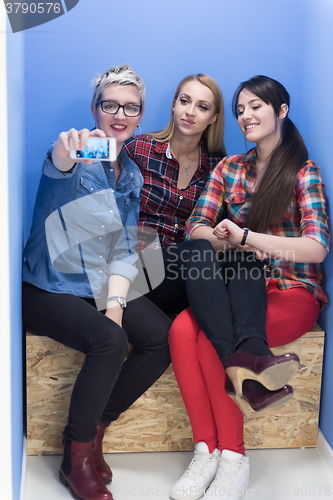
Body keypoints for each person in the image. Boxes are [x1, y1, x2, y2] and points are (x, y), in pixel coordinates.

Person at [168, 75, 329, 500]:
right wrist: (223, 237)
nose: (246, 116)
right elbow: (195, 226)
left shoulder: (303, 173)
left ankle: (234, 458)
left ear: (281, 111)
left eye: (256, 106)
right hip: (236, 280)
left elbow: (315, 248)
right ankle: (207, 450)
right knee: (181, 330)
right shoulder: (229, 168)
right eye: (240, 109)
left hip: (291, 289)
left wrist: (248, 238)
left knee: (206, 344)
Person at [22, 64, 171, 500]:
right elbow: (60, 160)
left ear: (141, 116)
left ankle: (97, 429)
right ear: (96, 108)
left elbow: (126, 247)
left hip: (97, 283)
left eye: (130, 107)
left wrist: (116, 303)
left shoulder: (131, 174)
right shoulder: (76, 153)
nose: (119, 113)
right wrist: (70, 149)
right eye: (110, 104)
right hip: (48, 287)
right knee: (108, 341)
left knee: (161, 335)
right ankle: (75, 456)